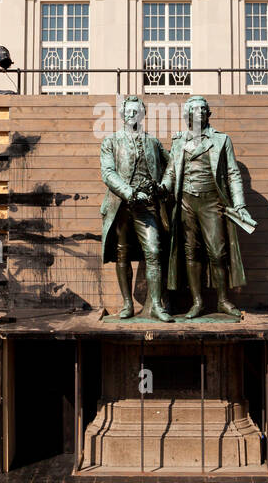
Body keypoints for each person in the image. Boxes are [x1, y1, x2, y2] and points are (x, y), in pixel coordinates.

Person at [158, 95, 256, 318]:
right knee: (191, 252)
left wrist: (239, 203)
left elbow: (233, 174)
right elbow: (171, 172)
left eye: (203, 109)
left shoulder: (222, 140)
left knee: (217, 252)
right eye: (195, 110)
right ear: (187, 115)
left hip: (212, 201)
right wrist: (163, 188)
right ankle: (197, 302)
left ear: (208, 114)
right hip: (185, 202)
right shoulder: (178, 142)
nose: (200, 113)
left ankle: (222, 300)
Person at [99, 95, 172, 321]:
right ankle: (127, 304)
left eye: (136, 112)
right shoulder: (110, 142)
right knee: (122, 253)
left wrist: (164, 186)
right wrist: (129, 192)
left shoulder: (154, 142)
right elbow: (108, 173)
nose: (132, 115)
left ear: (142, 114)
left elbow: (172, 165)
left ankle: (157, 306)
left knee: (153, 252)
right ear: (122, 115)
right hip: (121, 205)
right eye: (128, 112)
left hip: (147, 206)